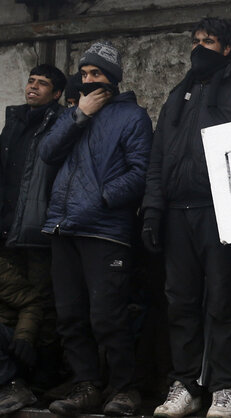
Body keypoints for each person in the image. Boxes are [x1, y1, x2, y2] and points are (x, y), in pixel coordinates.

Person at [142, 17, 231, 418]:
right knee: (179, 302)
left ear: (227, 48)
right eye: (195, 41)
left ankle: (224, 386)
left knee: (223, 302)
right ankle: (186, 384)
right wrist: (153, 210)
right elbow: (158, 159)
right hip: (178, 214)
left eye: (209, 41)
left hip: (222, 213)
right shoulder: (177, 94)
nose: (200, 48)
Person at [40, 41, 152, 416]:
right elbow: (47, 153)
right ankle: (86, 384)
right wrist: (79, 116)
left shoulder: (133, 117)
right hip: (63, 228)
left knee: (108, 316)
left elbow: (141, 173)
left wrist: (102, 198)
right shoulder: (70, 113)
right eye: (84, 74)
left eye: (96, 75)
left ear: (112, 79)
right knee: (70, 315)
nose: (87, 81)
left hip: (105, 231)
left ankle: (124, 389)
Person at [0, 63, 65, 415]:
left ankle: (41, 381)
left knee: (42, 305)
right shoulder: (13, 124)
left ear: (56, 94)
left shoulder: (57, 124)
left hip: (39, 230)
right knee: (11, 307)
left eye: (43, 84)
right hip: (8, 229)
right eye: (31, 81)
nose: (33, 88)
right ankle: (13, 381)